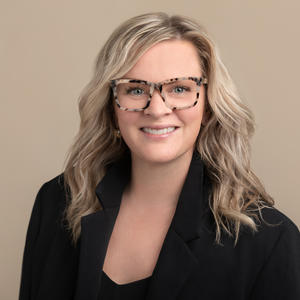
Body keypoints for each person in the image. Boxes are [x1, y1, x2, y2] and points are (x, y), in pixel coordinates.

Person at [19, 12, 300, 300]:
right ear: (111, 109)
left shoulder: (269, 241)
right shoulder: (55, 203)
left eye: (180, 88)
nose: (156, 109)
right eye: (135, 89)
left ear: (208, 107)